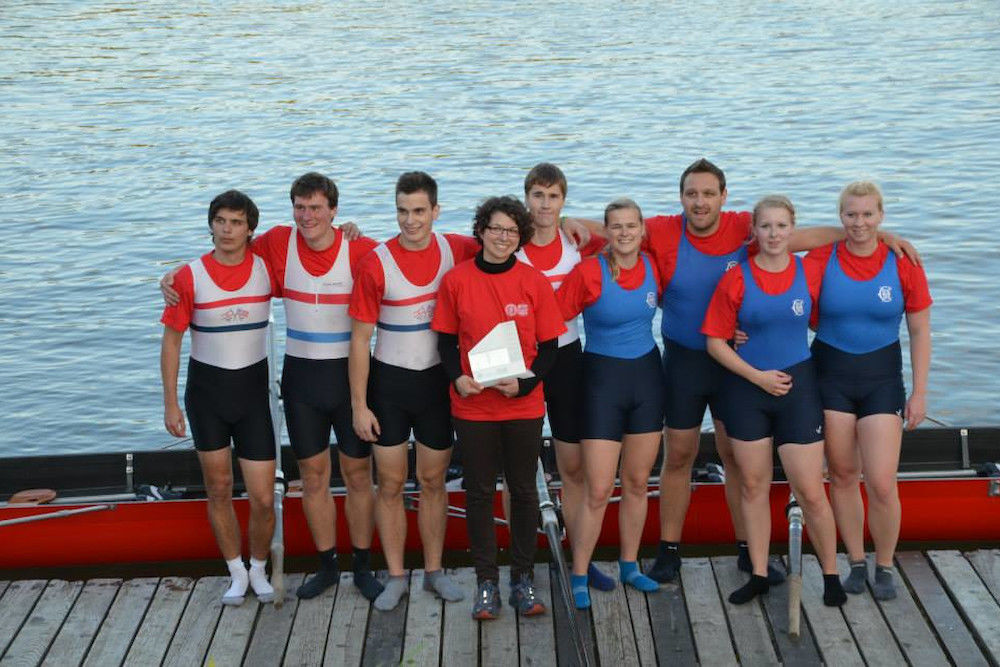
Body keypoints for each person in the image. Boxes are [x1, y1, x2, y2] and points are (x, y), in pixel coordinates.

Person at [163, 173, 382, 601]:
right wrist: (170, 278)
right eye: (300, 207)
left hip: (351, 376)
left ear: (334, 211)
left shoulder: (361, 248)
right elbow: (223, 256)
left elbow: (411, 257)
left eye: (317, 208)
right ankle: (326, 567)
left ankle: (362, 566)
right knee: (315, 477)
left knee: (358, 475)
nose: (307, 216)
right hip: (301, 380)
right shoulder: (277, 245)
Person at [702, 195, 846, 606]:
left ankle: (832, 574)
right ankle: (760, 573)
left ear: (792, 230)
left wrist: (884, 236)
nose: (774, 234)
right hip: (747, 387)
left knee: (811, 489)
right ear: (755, 231)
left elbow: (850, 248)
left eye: (782, 226)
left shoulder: (810, 269)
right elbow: (715, 341)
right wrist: (757, 377)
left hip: (797, 388)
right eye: (765, 227)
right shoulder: (737, 278)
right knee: (752, 484)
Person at [348, 171, 478, 610]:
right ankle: (398, 575)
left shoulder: (457, 248)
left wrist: (572, 220)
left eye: (419, 211)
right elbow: (359, 340)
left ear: (435, 212)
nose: (410, 220)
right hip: (390, 384)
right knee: (389, 483)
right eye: (402, 211)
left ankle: (435, 572)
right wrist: (359, 405)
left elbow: (511, 240)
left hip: (436, 383)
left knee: (432, 480)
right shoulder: (375, 263)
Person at [432, 196, 566, 620]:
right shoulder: (457, 280)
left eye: (511, 231)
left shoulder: (534, 281)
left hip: (522, 404)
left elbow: (549, 349)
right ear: (481, 231)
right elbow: (446, 343)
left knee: (524, 491)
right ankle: (486, 582)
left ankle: (523, 579)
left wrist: (525, 382)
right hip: (473, 405)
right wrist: (457, 378)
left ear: (520, 236)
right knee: (479, 493)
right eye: (495, 229)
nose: (503, 237)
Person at [804, 182, 931, 601]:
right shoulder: (823, 258)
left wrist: (919, 393)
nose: (859, 223)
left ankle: (885, 564)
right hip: (830, 375)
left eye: (868, 215)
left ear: (881, 217)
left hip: (881, 378)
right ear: (840, 218)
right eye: (851, 215)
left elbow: (919, 329)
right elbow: (779, 283)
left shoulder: (903, 261)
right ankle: (856, 561)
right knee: (841, 475)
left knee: (880, 481)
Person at [160, 189, 277, 606]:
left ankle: (260, 568)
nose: (227, 230)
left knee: (263, 497)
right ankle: (236, 572)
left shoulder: (267, 267)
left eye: (236, 223)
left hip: (253, 398)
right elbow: (172, 342)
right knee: (220, 488)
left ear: (250, 229)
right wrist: (171, 403)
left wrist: (349, 232)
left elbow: (315, 258)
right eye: (221, 221)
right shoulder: (189, 277)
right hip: (207, 396)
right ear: (211, 224)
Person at [555, 198, 664, 609]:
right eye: (615, 226)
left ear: (641, 230)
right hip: (601, 381)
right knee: (599, 488)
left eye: (631, 226)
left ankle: (630, 565)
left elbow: (688, 306)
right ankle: (580, 571)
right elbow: (550, 321)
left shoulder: (655, 266)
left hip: (648, 379)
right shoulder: (588, 272)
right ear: (606, 231)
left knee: (637, 482)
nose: (624, 233)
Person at [515, 162, 613, 593]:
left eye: (553, 197)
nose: (545, 204)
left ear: (563, 202)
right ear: (526, 200)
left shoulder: (578, 244)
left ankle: (579, 557)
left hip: (568, 358)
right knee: (517, 467)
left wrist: (581, 222)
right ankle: (521, 565)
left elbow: (627, 232)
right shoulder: (509, 245)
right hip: (522, 363)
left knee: (572, 467)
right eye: (538, 195)